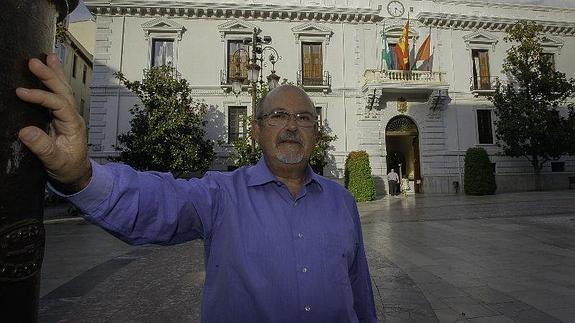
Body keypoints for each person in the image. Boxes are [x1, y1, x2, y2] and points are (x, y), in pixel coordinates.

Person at [16, 54, 378, 323]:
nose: (291, 126)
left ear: (316, 131)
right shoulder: (221, 195)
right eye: (278, 116)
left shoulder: (342, 202)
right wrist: (81, 175)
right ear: (255, 130)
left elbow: (360, 291)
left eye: (304, 118)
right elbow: (155, 203)